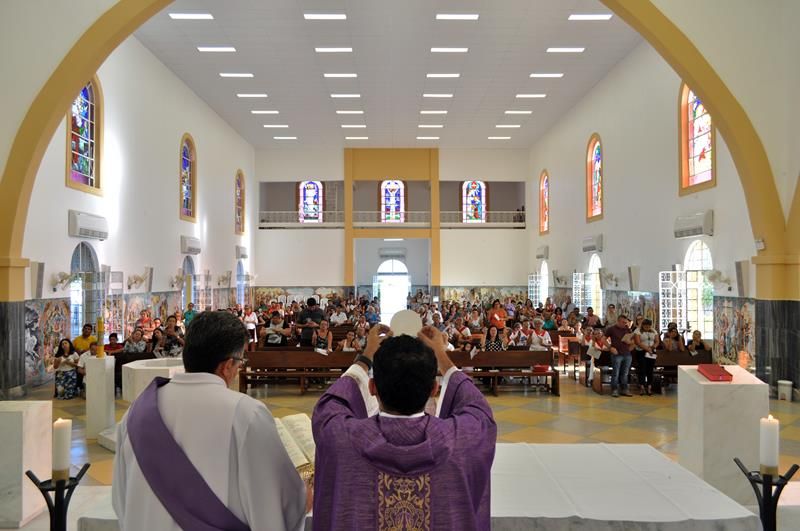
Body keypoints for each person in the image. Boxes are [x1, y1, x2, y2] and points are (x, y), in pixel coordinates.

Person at [113, 311, 309, 530]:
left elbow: (121, 501)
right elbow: (275, 507)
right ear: (227, 366)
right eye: (240, 362)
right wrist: (303, 499)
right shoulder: (246, 414)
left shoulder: (136, 412)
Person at [311, 324, 496, 530]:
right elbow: (479, 409)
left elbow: (329, 404)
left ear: (372, 387)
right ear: (434, 389)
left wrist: (366, 356)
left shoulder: (341, 437)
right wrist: (442, 357)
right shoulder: (461, 438)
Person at [605, 315, 634, 398]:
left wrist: (630, 342)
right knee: (616, 373)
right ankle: (614, 389)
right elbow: (603, 339)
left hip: (627, 354)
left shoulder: (627, 329)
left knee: (625, 373)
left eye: (626, 322)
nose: (625, 324)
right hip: (617, 354)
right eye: (623, 322)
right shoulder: (611, 329)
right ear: (618, 321)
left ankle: (624, 389)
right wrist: (610, 348)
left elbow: (632, 340)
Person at [634, 319, 660, 396]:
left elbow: (657, 341)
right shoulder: (638, 331)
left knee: (650, 369)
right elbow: (638, 342)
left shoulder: (654, 331)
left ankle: (649, 386)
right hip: (641, 352)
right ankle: (642, 386)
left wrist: (653, 347)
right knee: (642, 368)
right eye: (646, 327)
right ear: (643, 325)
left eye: (649, 327)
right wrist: (647, 348)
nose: (647, 328)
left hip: (651, 352)